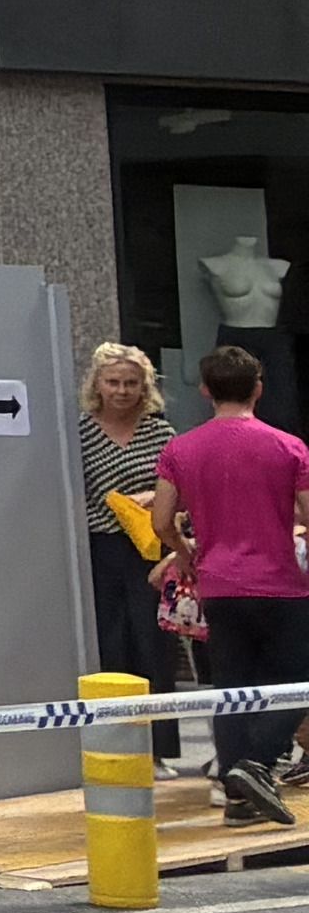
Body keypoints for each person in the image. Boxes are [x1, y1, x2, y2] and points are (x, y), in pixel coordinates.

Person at [154, 340, 309, 828]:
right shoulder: (288, 447)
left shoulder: (180, 449)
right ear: (258, 389)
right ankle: (256, 764)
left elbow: (161, 520)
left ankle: (238, 797)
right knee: (296, 686)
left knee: (232, 689)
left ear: (204, 390)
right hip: (281, 583)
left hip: (218, 584)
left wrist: (186, 554)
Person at [76, 344, 179, 750]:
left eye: (131, 383)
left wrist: (152, 500)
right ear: (97, 384)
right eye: (113, 382)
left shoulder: (160, 431)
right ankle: (114, 742)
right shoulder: (80, 431)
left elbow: (180, 489)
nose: (121, 390)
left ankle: (162, 747)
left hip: (150, 547)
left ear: (145, 387)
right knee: (110, 642)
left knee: (155, 645)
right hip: (100, 546)